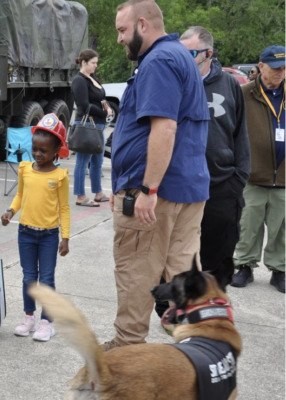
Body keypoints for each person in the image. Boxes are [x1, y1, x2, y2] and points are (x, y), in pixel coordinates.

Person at [104, 0, 210, 351]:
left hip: (156, 194)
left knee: (136, 272)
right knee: (184, 279)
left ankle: (128, 351)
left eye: (122, 30)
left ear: (143, 25)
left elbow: (164, 128)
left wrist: (147, 188)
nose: (119, 39)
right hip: (187, 189)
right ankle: (202, 350)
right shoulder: (181, 56)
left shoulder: (159, 61)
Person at [154, 26, 251, 327]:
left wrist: (238, 179)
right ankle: (169, 310)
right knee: (174, 255)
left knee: (215, 257)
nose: (185, 57)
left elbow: (240, 135)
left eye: (192, 53)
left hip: (221, 187)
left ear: (209, 54)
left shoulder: (230, 84)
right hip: (180, 187)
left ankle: (205, 314)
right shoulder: (174, 82)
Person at [1, 114, 71, 342]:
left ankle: (47, 322)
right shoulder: (25, 169)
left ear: (56, 150)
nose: (38, 154)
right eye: (35, 149)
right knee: (29, 277)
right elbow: (20, 195)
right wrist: (11, 211)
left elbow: (64, 209)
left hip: (49, 236)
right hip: (26, 233)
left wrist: (65, 237)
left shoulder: (60, 176)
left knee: (47, 279)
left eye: (44, 150)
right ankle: (29, 317)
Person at [231, 45, 285, 293]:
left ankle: (279, 269)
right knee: (248, 225)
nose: (281, 73)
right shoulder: (244, 93)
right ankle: (244, 266)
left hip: (284, 176)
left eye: (284, 68)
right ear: (261, 66)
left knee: (281, 228)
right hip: (253, 175)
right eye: (276, 68)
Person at [71, 49, 111, 207]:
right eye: (93, 63)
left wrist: (108, 108)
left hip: (99, 125)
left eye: (96, 63)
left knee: (97, 161)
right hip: (87, 125)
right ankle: (80, 196)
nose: (96, 66)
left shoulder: (92, 78)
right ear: (84, 63)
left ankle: (98, 193)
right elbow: (84, 105)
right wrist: (103, 111)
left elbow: (101, 98)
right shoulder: (79, 80)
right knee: (82, 161)